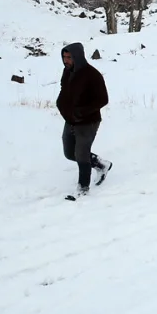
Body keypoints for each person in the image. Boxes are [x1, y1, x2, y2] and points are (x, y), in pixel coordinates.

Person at [56, 42, 112, 197]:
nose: (66, 60)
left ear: (78, 57)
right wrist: (60, 104)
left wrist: (81, 113)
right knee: (69, 153)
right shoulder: (67, 71)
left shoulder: (92, 75)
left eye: (69, 57)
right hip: (71, 120)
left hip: (88, 121)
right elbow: (64, 90)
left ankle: (83, 189)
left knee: (81, 153)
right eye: (64, 57)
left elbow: (103, 99)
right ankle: (101, 164)